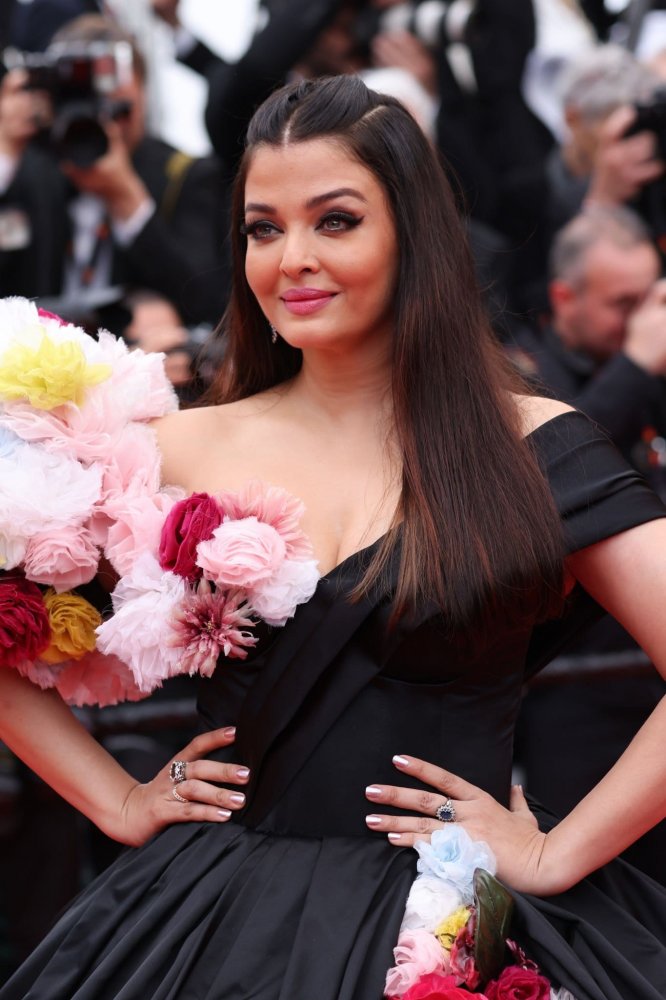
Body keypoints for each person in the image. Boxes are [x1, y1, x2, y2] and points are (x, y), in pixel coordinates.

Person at [0, 75, 665, 1000]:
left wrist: (559, 851)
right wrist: (114, 798)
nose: (291, 259)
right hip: (216, 926)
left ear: (413, 236)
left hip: (462, 918)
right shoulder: (171, 449)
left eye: (336, 220)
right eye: (263, 228)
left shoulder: (537, 446)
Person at [0, 14, 228, 329]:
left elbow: (210, 304)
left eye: (118, 110)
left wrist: (127, 199)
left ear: (143, 94)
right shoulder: (31, 172)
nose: (103, 126)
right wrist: (6, 151)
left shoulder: (186, 176)